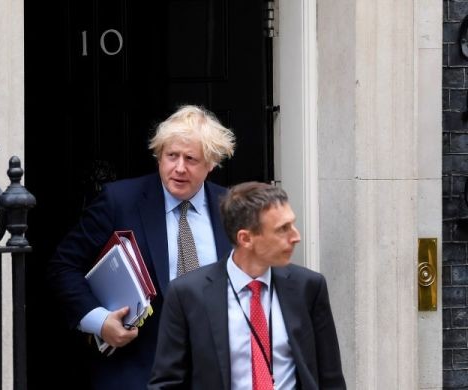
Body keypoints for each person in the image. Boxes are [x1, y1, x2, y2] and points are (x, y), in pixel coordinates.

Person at [47, 105, 236, 389]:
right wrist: (99, 322)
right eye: (172, 156)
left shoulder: (232, 207)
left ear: (211, 163)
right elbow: (63, 266)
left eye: (191, 159)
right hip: (138, 372)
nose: (179, 168)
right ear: (159, 155)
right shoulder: (120, 201)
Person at [149, 182, 346, 389]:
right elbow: (166, 383)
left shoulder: (308, 287)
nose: (296, 237)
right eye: (283, 229)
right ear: (246, 238)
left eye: (292, 224)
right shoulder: (187, 294)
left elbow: (330, 379)